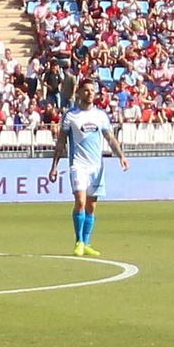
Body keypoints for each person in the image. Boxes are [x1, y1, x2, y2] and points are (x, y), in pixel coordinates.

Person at [48, 79, 130, 257]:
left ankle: (86, 243)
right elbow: (61, 142)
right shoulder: (71, 116)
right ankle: (78, 241)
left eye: (92, 90)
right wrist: (54, 166)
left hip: (96, 166)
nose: (90, 93)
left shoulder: (100, 115)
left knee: (91, 206)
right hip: (79, 164)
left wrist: (121, 156)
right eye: (86, 90)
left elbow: (109, 138)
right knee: (81, 201)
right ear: (79, 93)